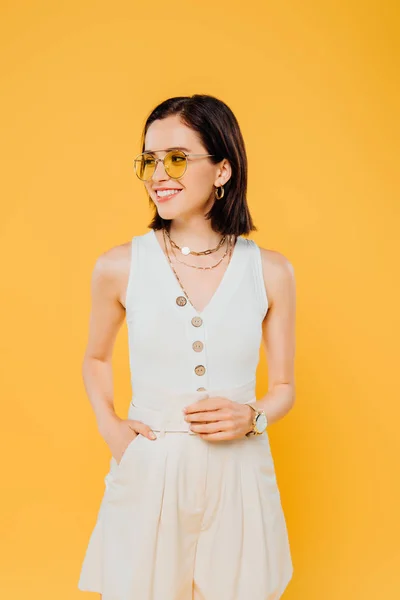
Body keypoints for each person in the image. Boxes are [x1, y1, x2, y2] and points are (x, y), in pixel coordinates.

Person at [77, 94, 296, 600]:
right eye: (149, 160)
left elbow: (284, 386)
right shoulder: (119, 265)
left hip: (239, 474)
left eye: (177, 157)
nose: (159, 173)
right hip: (151, 467)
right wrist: (111, 428)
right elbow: (95, 356)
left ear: (222, 169)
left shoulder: (271, 271)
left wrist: (254, 416)